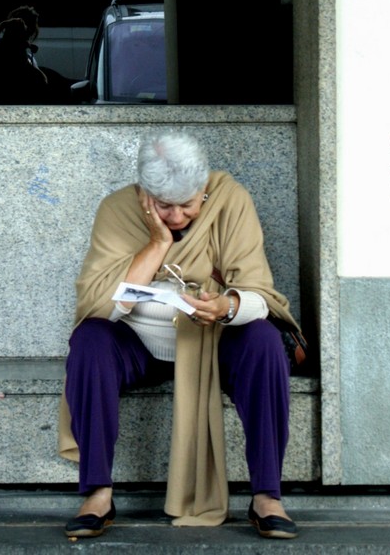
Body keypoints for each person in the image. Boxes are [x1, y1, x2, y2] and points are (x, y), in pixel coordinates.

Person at [58, 131, 301, 540]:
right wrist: (156, 244)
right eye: (162, 206)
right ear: (143, 193)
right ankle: (97, 492)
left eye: (186, 205)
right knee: (90, 341)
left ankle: (267, 496)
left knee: (263, 342)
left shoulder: (230, 201)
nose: (175, 217)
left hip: (213, 340)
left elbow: (260, 294)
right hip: (138, 344)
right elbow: (101, 304)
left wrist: (227, 307)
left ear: (203, 190)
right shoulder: (117, 209)